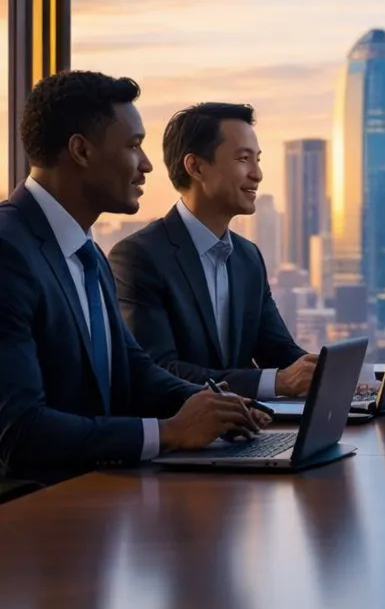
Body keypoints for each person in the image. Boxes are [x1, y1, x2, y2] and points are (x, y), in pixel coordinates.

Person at [0, 71, 264, 483]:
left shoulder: (87, 253)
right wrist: (169, 432)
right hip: (33, 520)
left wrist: (213, 403)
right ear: (80, 151)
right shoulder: (7, 250)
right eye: (133, 146)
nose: (146, 165)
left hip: (95, 506)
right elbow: (19, 432)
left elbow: (134, 369)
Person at [109, 103, 317, 400]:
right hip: (181, 438)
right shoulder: (138, 257)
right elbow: (161, 369)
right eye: (243, 159)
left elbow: (280, 353)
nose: (257, 174)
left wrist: (333, 373)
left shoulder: (248, 257)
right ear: (195, 166)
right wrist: (277, 383)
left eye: (257, 160)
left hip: (246, 432)